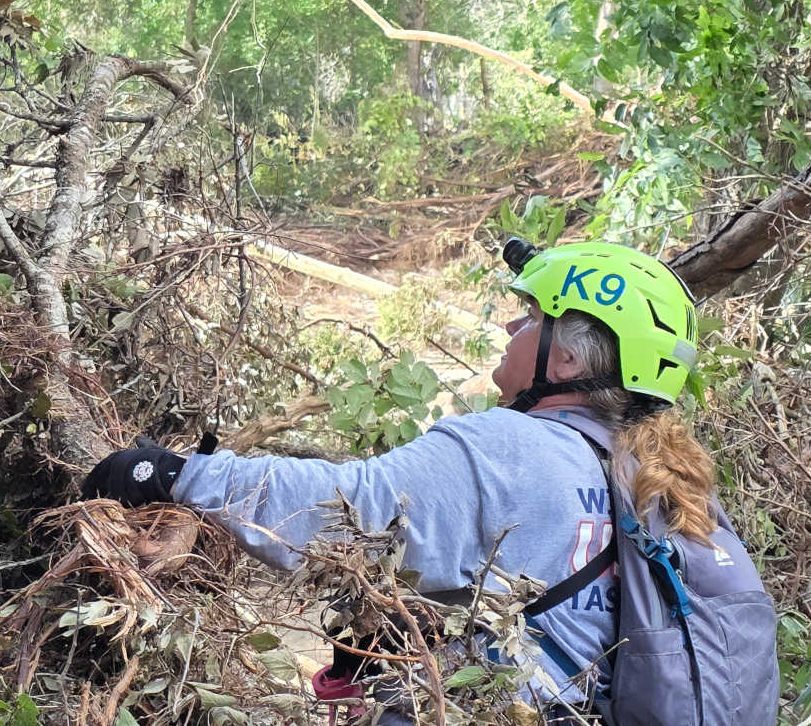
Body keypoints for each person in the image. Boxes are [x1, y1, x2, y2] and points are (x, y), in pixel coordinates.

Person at [80, 239, 774, 722]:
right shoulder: (667, 481)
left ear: (564, 359)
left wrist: (174, 474)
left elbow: (346, 514)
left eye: (531, 316)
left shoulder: (508, 447)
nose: (511, 322)